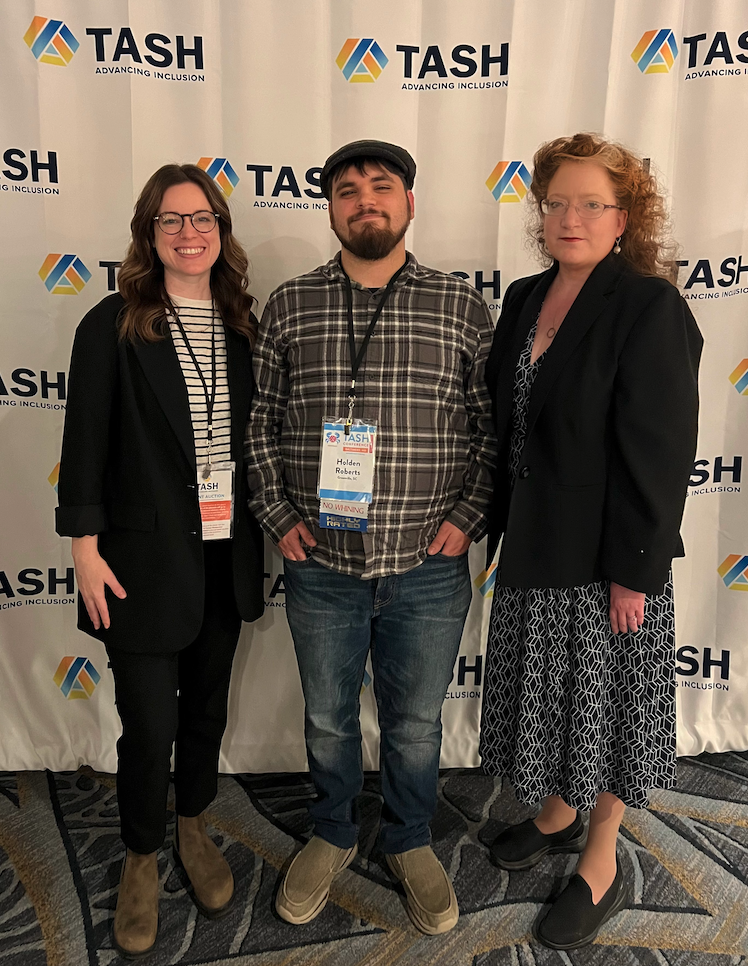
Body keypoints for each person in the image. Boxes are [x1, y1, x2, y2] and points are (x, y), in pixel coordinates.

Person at [245, 139, 496, 934]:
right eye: (347, 190)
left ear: (409, 202)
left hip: (428, 562)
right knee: (327, 717)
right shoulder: (290, 304)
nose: (365, 201)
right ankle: (332, 830)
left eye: (381, 187)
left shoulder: (460, 306)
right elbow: (259, 423)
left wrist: (466, 518)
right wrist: (278, 515)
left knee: (415, 723)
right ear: (331, 208)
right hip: (320, 561)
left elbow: (493, 430)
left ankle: (409, 836)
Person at [479, 132, 702, 950]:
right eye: (556, 202)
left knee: (605, 712)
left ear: (624, 218)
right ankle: (555, 812)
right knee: (554, 702)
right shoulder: (523, 298)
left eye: (592, 204)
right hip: (535, 546)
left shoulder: (648, 306)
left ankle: (599, 859)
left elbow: (661, 453)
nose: (570, 218)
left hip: (611, 561)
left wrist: (634, 571)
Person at [55, 164, 265, 958]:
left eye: (202, 217)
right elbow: (84, 444)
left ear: (220, 230)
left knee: (206, 709)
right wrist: (83, 550)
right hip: (138, 563)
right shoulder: (113, 323)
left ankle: (192, 824)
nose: (188, 232)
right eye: (170, 220)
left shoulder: (242, 324)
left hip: (225, 556)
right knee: (149, 725)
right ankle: (141, 854)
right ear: (150, 233)